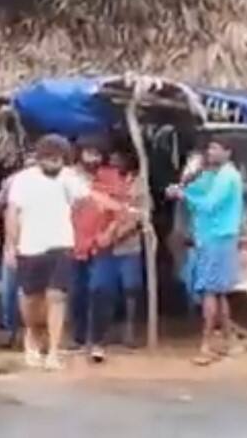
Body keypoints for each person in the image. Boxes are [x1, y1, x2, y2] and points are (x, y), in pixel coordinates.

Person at [4, 135, 125, 371]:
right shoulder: (22, 180)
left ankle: (53, 351)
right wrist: (11, 245)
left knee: (57, 297)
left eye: (58, 160)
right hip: (29, 246)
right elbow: (12, 213)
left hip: (61, 244)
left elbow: (90, 195)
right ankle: (32, 337)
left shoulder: (69, 178)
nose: (54, 164)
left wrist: (121, 207)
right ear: (39, 159)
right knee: (31, 299)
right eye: (49, 160)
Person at [167, 137, 244, 366]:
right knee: (219, 292)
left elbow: (208, 203)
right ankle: (229, 342)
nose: (211, 152)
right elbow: (195, 190)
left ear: (228, 153)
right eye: (210, 148)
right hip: (215, 237)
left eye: (216, 149)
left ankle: (206, 345)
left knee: (210, 291)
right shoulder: (215, 175)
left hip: (216, 238)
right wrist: (185, 184)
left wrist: (183, 194)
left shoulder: (227, 177)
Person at [89, 149, 145, 362]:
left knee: (131, 288)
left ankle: (129, 330)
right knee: (101, 291)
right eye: (111, 160)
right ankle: (99, 338)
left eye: (118, 159)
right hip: (104, 246)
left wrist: (113, 235)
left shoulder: (139, 184)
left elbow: (138, 217)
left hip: (127, 246)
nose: (114, 163)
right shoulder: (102, 182)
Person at [69, 135, 112, 351]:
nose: (93, 158)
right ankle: (78, 338)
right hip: (73, 243)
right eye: (89, 153)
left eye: (97, 154)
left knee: (100, 290)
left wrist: (110, 233)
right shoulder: (68, 177)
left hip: (101, 244)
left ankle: (97, 340)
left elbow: (120, 209)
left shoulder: (108, 177)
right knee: (77, 292)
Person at [0, 152, 36, 347]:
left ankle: (31, 334)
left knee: (33, 292)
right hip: (14, 245)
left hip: (38, 246)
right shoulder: (12, 181)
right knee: (10, 291)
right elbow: (0, 205)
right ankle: (11, 332)